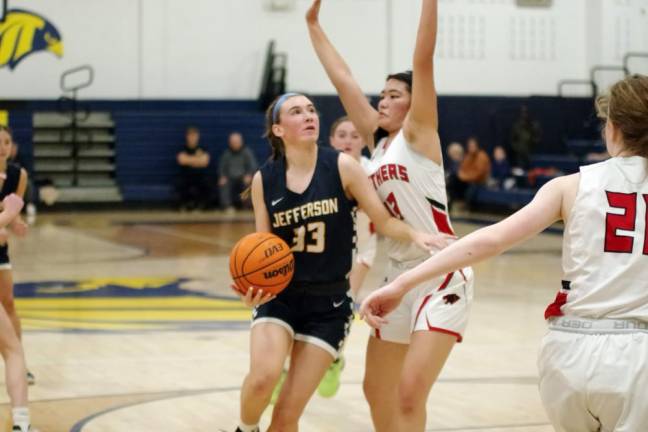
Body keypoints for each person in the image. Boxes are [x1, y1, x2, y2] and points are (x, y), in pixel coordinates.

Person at [361, 74, 648, 432]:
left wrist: (401, 284)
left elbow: (489, 241)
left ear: (614, 128)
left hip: (570, 350)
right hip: (638, 352)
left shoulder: (571, 184)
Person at [232, 93, 447, 432]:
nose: (308, 116)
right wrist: (254, 288)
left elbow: (383, 219)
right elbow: (262, 246)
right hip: (282, 298)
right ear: (278, 129)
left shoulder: (343, 167)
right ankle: (245, 429)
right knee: (262, 379)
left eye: (311, 110)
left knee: (287, 413)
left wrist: (416, 234)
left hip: (329, 305)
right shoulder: (265, 179)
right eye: (296, 112)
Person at [307, 0, 474, 430]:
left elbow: (423, 56)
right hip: (398, 275)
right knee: (375, 390)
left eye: (393, 95)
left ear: (414, 103)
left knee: (407, 393)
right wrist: (313, 26)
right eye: (381, 94)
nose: (382, 100)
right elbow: (343, 80)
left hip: (440, 272)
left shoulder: (419, 133)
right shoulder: (377, 143)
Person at [0, 126, 36, 432]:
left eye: (6, 142)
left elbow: (14, 216)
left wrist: (16, 222)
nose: (1, 147)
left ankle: (21, 422)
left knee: (9, 306)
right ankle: (21, 423)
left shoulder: (16, 175)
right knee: (10, 348)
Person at [218, 132, 258, 214]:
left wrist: (249, 175)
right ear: (230, 143)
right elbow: (221, 168)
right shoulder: (226, 154)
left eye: (236, 142)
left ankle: (247, 206)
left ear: (241, 142)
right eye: (233, 142)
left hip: (243, 177)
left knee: (249, 183)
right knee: (223, 183)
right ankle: (227, 206)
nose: (235, 144)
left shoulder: (247, 152)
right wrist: (222, 176)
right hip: (230, 178)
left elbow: (253, 166)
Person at [176, 126, 211, 210]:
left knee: (207, 183)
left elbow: (205, 162)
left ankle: (202, 206)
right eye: (190, 136)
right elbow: (181, 160)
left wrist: (189, 160)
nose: (192, 138)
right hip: (186, 176)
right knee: (180, 183)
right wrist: (197, 161)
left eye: (194, 136)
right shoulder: (182, 149)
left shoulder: (203, 148)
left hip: (200, 176)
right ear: (187, 137)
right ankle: (185, 205)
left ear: (198, 136)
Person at [510, 105, 541, 169]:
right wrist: (517, 147)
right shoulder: (517, 125)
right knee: (520, 169)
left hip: (531, 152)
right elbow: (512, 139)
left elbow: (537, 137)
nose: (524, 114)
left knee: (531, 169)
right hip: (520, 152)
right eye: (523, 112)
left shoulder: (533, 125)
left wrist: (533, 143)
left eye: (526, 112)